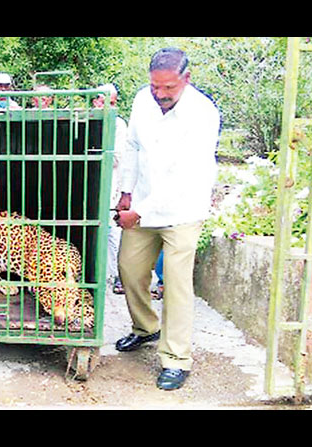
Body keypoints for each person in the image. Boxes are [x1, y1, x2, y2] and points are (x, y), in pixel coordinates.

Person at [113, 48, 220, 390]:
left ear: (186, 80)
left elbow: (183, 176)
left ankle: (176, 359)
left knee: (175, 284)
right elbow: (132, 146)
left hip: (183, 210)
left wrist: (138, 211)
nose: (160, 95)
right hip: (143, 202)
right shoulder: (143, 99)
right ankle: (146, 328)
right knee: (128, 268)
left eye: (168, 89)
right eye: (155, 86)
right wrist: (126, 192)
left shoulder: (202, 113)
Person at [92, 83, 128, 295]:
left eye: (113, 103)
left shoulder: (118, 125)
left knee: (111, 231)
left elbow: (116, 157)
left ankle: (117, 276)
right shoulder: (87, 119)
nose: (108, 106)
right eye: (105, 101)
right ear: (96, 100)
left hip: (109, 184)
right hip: (87, 183)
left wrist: (98, 154)